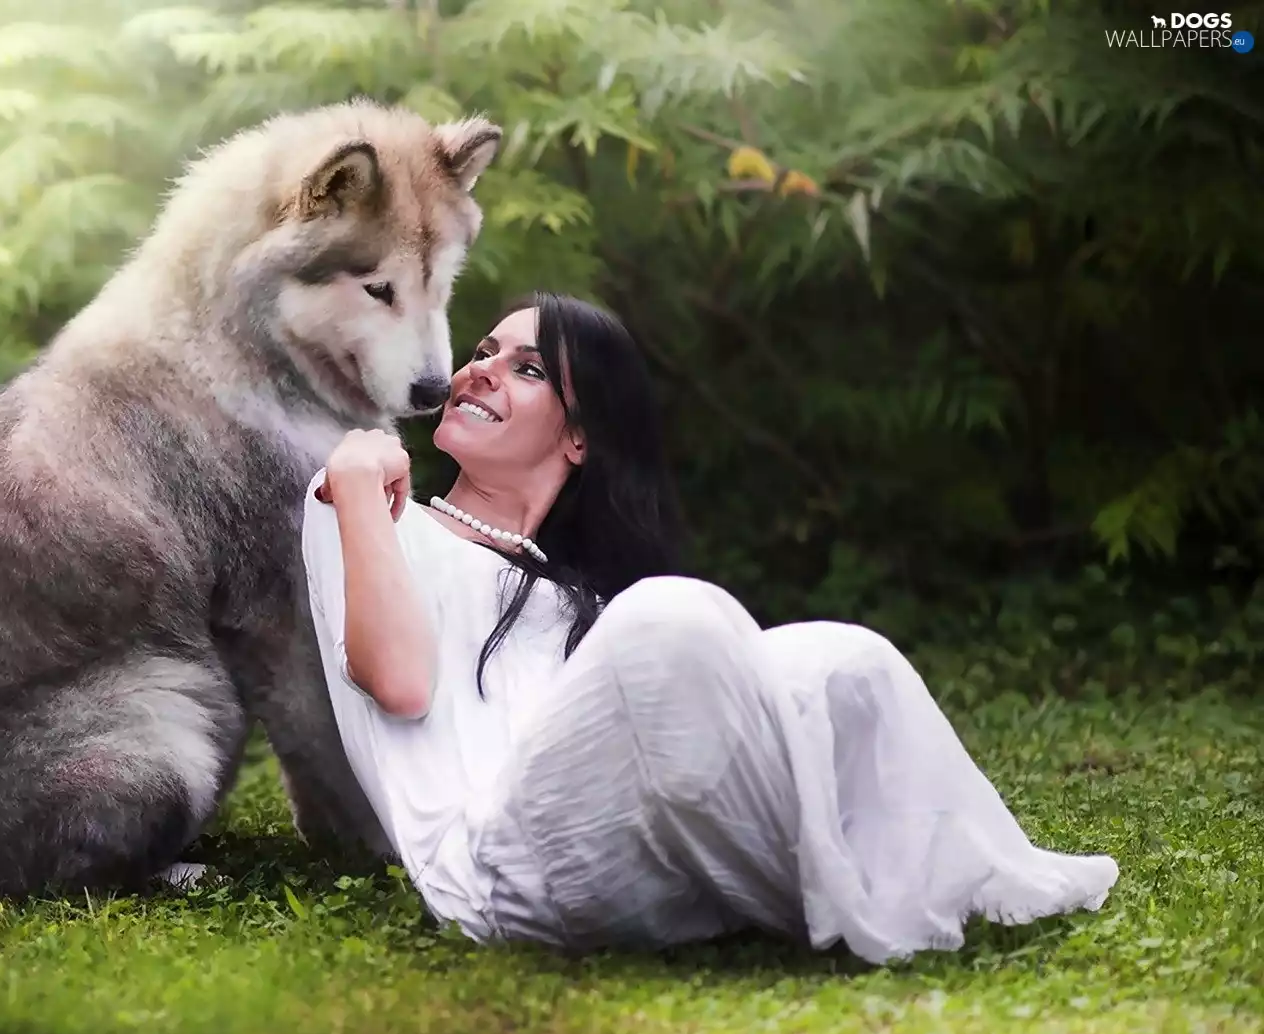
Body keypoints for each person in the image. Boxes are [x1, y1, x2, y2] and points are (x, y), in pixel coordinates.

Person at [297, 291, 1118, 964]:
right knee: (668, 615)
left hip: (624, 851)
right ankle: (835, 891)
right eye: (484, 352)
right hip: (493, 871)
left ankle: (957, 879)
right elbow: (399, 683)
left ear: (579, 437)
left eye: (528, 369)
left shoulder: (579, 602)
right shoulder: (368, 506)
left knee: (846, 655)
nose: (479, 372)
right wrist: (358, 472)